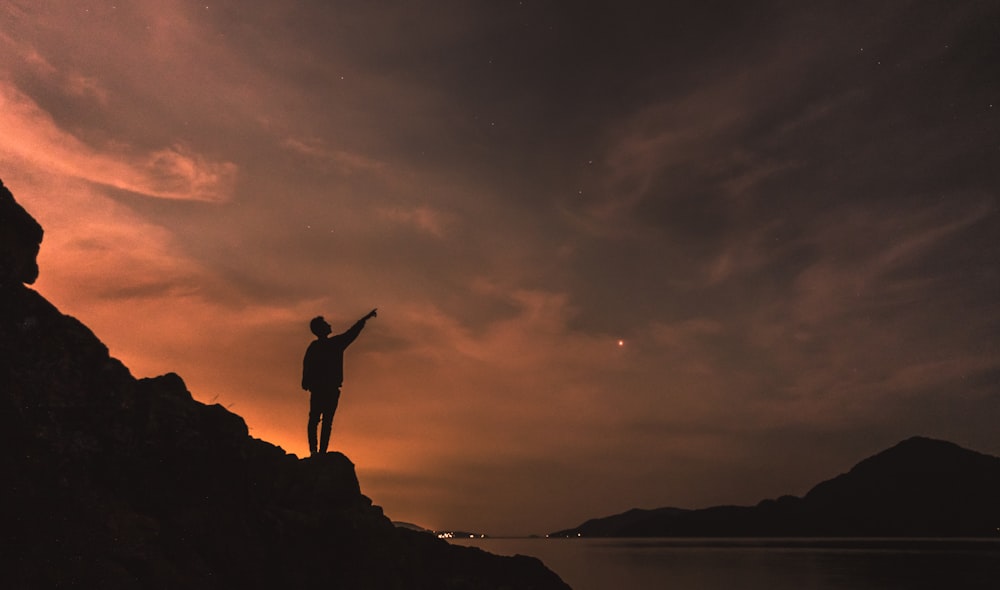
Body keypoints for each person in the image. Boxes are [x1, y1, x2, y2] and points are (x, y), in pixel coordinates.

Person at [301, 308, 377, 455]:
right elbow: (351, 333)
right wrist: (364, 319)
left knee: (316, 420)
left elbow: (306, 367)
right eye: (325, 324)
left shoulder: (318, 346)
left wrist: (306, 381)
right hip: (326, 389)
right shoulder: (332, 344)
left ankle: (316, 452)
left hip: (323, 389)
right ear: (321, 329)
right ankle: (318, 452)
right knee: (322, 421)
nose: (329, 325)